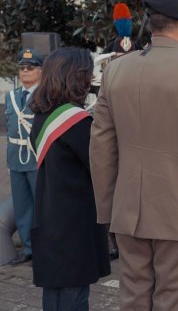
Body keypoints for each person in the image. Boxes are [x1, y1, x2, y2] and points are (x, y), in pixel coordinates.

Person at [90, 0, 178, 311]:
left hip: (127, 212)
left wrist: (107, 214)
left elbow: (101, 147)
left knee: (133, 300)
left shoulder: (116, 70)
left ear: (151, 25)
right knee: (175, 302)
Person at [28, 48, 111, 310]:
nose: (91, 78)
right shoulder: (76, 122)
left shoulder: (42, 116)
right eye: (88, 73)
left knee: (54, 293)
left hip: (50, 215)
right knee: (74, 296)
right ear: (76, 77)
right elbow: (103, 166)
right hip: (74, 222)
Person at [4, 48, 43, 265]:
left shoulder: (45, 96)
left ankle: (44, 247)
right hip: (16, 159)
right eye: (22, 68)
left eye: (31, 67)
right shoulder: (11, 97)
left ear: (41, 70)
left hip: (37, 157)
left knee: (41, 205)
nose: (25, 71)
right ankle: (28, 248)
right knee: (22, 206)